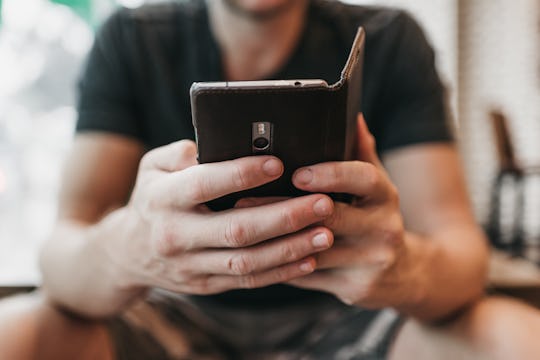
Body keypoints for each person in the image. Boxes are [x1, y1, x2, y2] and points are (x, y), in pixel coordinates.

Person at [1, 0, 540, 359]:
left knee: (517, 337)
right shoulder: (131, 39)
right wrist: (126, 251)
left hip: (351, 317)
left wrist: (405, 269)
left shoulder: (392, 40)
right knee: (16, 329)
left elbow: (462, 251)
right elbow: (62, 254)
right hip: (169, 317)